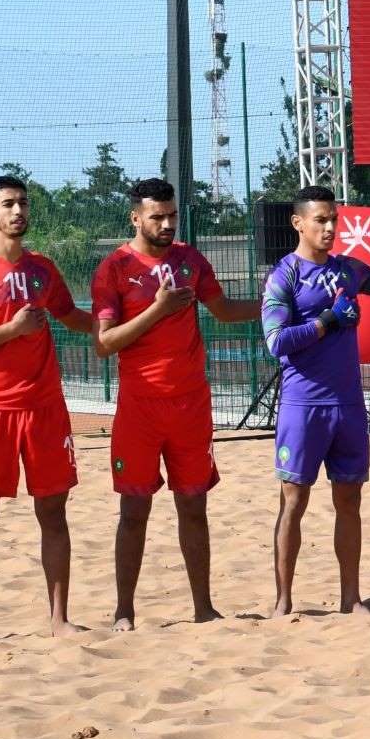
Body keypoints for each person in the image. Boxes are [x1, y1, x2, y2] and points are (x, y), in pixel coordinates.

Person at [91, 178, 259, 630]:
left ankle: (203, 607)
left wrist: (278, 303)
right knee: (133, 511)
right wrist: (158, 310)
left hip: (190, 406)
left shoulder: (190, 259)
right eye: (156, 217)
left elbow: (223, 310)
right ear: (135, 217)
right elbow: (104, 343)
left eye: (171, 216)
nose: (166, 224)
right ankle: (124, 610)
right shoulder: (115, 268)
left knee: (194, 505)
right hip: (139, 408)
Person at [0, 175, 98, 649]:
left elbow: (75, 318)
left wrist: (135, 324)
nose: (18, 212)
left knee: (54, 513)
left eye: (24, 203)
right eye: (8, 204)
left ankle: (60, 620)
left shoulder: (43, 270)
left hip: (45, 408)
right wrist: (12, 330)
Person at [261, 185, 370, 616]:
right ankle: (283, 601)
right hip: (303, 407)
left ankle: (351, 598)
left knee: (349, 502)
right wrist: (328, 321)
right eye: (321, 220)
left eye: (334, 219)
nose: (331, 227)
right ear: (298, 223)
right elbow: (277, 341)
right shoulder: (285, 276)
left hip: (349, 405)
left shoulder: (349, 269)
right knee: (293, 502)